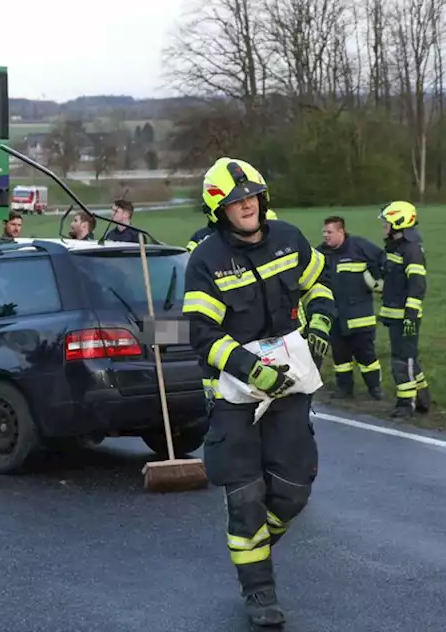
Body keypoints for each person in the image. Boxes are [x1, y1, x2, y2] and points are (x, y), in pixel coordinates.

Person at [182, 157, 335, 628]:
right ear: (219, 210)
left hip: (290, 389)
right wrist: (251, 370)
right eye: (234, 200)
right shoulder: (204, 259)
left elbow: (320, 283)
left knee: (293, 492)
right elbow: (202, 335)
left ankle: (255, 547)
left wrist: (323, 321)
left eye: (251, 196)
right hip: (235, 396)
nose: (245, 205)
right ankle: (259, 590)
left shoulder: (289, 238)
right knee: (246, 498)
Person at [317, 215, 386, 401]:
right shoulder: (320, 253)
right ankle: (344, 389)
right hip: (336, 316)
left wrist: (379, 281)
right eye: (324, 232)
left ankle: (375, 388)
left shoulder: (360, 247)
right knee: (341, 357)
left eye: (329, 232)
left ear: (341, 231)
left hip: (360, 316)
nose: (325, 236)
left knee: (367, 356)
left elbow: (383, 260)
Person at [377, 201, 430, 418]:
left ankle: (405, 403)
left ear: (398, 223)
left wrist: (410, 315)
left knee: (403, 359)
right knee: (407, 357)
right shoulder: (397, 248)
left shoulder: (411, 250)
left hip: (406, 319)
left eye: (386, 223)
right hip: (395, 316)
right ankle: (423, 395)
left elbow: (417, 285)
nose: (384, 227)